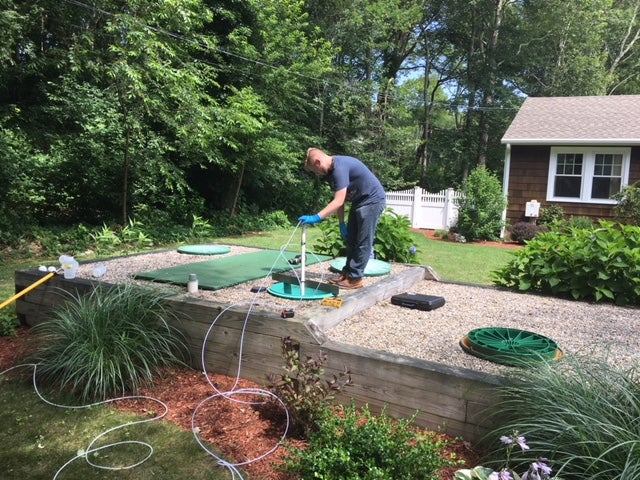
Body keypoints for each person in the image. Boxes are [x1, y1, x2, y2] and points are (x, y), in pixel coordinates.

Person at [298, 148, 386, 289]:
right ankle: (347, 274)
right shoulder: (332, 172)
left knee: (363, 241)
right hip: (359, 201)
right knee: (351, 239)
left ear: (317, 162)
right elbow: (341, 199)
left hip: (372, 200)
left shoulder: (340, 167)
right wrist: (341, 223)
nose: (317, 174)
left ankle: (355, 279)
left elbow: (338, 201)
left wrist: (317, 217)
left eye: (315, 170)